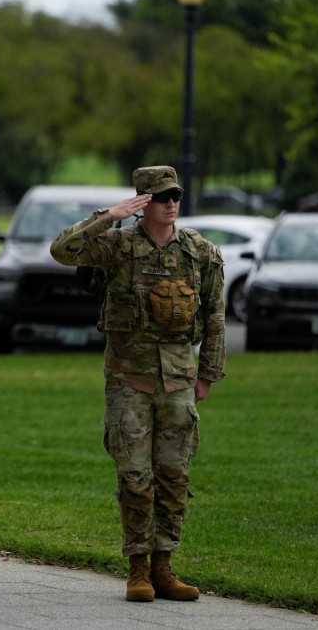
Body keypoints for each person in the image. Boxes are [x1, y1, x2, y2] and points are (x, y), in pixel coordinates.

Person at [50, 165, 225, 603]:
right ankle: (138, 569)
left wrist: (208, 373)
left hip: (179, 381)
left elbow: (215, 314)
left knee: (174, 475)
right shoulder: (118, 247)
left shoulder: (199, 252)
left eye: (176, 195)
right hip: (129, 378)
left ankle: (165, 565)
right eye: (162, 196)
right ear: (144, 201)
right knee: (134, 476)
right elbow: (62, 250)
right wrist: (109, 216)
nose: (171, 203)